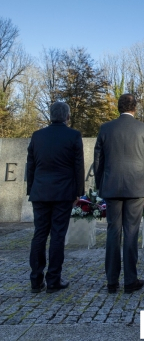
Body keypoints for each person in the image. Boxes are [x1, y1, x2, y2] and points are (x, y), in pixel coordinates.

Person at [94, 93, 144, 293]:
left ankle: (112, 281)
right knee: (131, 232)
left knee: (113, 232)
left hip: (111, 187)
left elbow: (98, 162)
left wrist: (100, 185)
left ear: (119, 108)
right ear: (135, 108)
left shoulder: (105, 129)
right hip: (136, 186)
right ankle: (130, 280)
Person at [27, 101, 84, 294]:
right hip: (63, 193)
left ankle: (35, 280)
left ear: (50, 116)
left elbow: (31, 166)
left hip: (40, 192)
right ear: (67, 117)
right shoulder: (74, 135)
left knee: (39, 235)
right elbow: (78, 166)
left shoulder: (37, 136)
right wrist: (79, 192)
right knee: (58, 236)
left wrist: (31, 190)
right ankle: (53, 279)